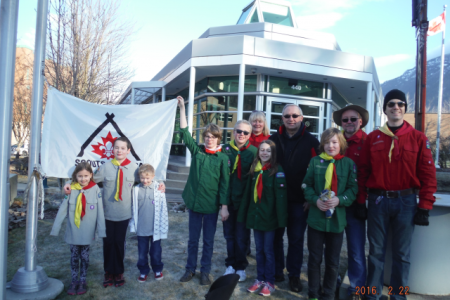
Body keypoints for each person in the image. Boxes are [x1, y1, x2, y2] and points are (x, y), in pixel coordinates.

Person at [356, 89, 437, 300]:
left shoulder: (418, 138)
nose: (396, 107)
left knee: (402, 255)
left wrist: (425, 206)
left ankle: (398, 297)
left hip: (406, 202)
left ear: (404, 109)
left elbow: (428, 175)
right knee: (375, 253)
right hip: (378, 201)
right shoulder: (373, 138)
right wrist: (361, 200)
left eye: (400, 104)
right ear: (385, 109)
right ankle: (371, 295)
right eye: (391, 104)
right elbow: (363, 172)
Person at [64, 137, 166, 287]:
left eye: (123, 148)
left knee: (119, 243)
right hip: (107, 214)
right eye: (116, 147)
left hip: (124, 214)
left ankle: (118, 272)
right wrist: (69, 183)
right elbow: (88, 180)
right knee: (108, 243)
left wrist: (161, 183)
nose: (119, 150)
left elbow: (147, 179)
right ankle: (108, 272)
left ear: (128, 151)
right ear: (112, 150)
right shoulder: (105, 167)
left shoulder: (134, 169)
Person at [176, 96, 230, 286]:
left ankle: (204, 271)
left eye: (213, 137)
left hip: (211, 207)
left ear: (218, 139)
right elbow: (184, 132)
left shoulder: (223, 158)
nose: (209, 139)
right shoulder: (197, 152)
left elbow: (225, 184)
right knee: (192, 240)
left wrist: (224, 207)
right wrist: (182, 108)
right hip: (195, 205)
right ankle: (190, 269)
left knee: (208, 242)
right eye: (207, 136)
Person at [302, 128, 358, 300]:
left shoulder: (348, 164)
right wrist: (314, 200)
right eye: (327, 142)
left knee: (333, 262)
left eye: (334, 142)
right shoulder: (315, 162)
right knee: (314, 259)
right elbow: (306, 185)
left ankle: (328, 293)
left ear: (341, 144)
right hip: (316, 220)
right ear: (322, 145)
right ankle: (313, 292)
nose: (331, 146)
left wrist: (340, 200)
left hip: (336, 221)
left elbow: (353, 188)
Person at [269, 104, 320, 292]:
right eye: (287, 116)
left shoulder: (312, 142)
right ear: (282, 119)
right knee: (276, 237)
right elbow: (265, 167)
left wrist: (311, 198)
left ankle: (294, 275)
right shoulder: (272, 140)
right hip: (277, 200)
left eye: (295, 116)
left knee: (296, 239)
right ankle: (276, 271)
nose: (291, 119)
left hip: (300, 201)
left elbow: (318, 172)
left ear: (302, 118)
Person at [238, 140, 287, 297]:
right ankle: (260, 278)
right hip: (256, 217)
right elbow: (248, 195)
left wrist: (281, 220)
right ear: (258, 152)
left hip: (270, 219)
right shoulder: (255, 169)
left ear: (273, 153)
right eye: (262, 150)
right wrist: (244, 215)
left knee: (268, 250)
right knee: (259, 250)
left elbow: (280, 198)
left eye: (268, 151)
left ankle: (269, 281)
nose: (264, 153)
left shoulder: (277, 170)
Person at [51, 162, 106, 295]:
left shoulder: (95, 189)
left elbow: (100, 211)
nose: (83, 179)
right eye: (80, 176)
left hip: (87, 230)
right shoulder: (71, 189)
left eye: (86, 176)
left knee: (85, 256)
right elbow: (63, 208)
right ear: (75, 176)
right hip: (73, 230)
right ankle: (74, 280)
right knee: (74, 256)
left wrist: (102, 230)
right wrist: (55, 229)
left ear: (91, 175)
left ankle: (83, 280)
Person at [332, 104, 369, 300]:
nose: (349, 123)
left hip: (355, 205)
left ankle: (357, 287)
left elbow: (366, 175)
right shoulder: (334, 142)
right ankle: (333, 280)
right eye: (345, 120)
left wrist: (362, 202)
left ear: (360, 121)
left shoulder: (368, 142)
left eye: (353, 119)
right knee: (333, 247)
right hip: (335, 205)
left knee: (355, 249)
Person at [221, 120, 257, 281]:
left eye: (245, 132)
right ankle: (230, 264)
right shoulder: (225, 150)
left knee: (241, 236)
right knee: (229, 235)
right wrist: (223, 205)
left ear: (250, 135)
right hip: (228, 201)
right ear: (233, 132)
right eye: (238, 131)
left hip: (245, 202)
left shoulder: (254, 152)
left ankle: (241, 266)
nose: (241, 134)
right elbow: (221, 179)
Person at [129, 164, 168, 283]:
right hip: (141, 229)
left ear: (153, 177)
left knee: (156, 252)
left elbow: (163, 208)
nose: (145, 180)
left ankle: (157, 269)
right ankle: (143, 271)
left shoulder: (158, 189)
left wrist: (163, 226)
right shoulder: (136, 190)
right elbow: (132, 208)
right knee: (142, 252)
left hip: (155, 228)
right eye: (142, 178)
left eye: (147, 178)